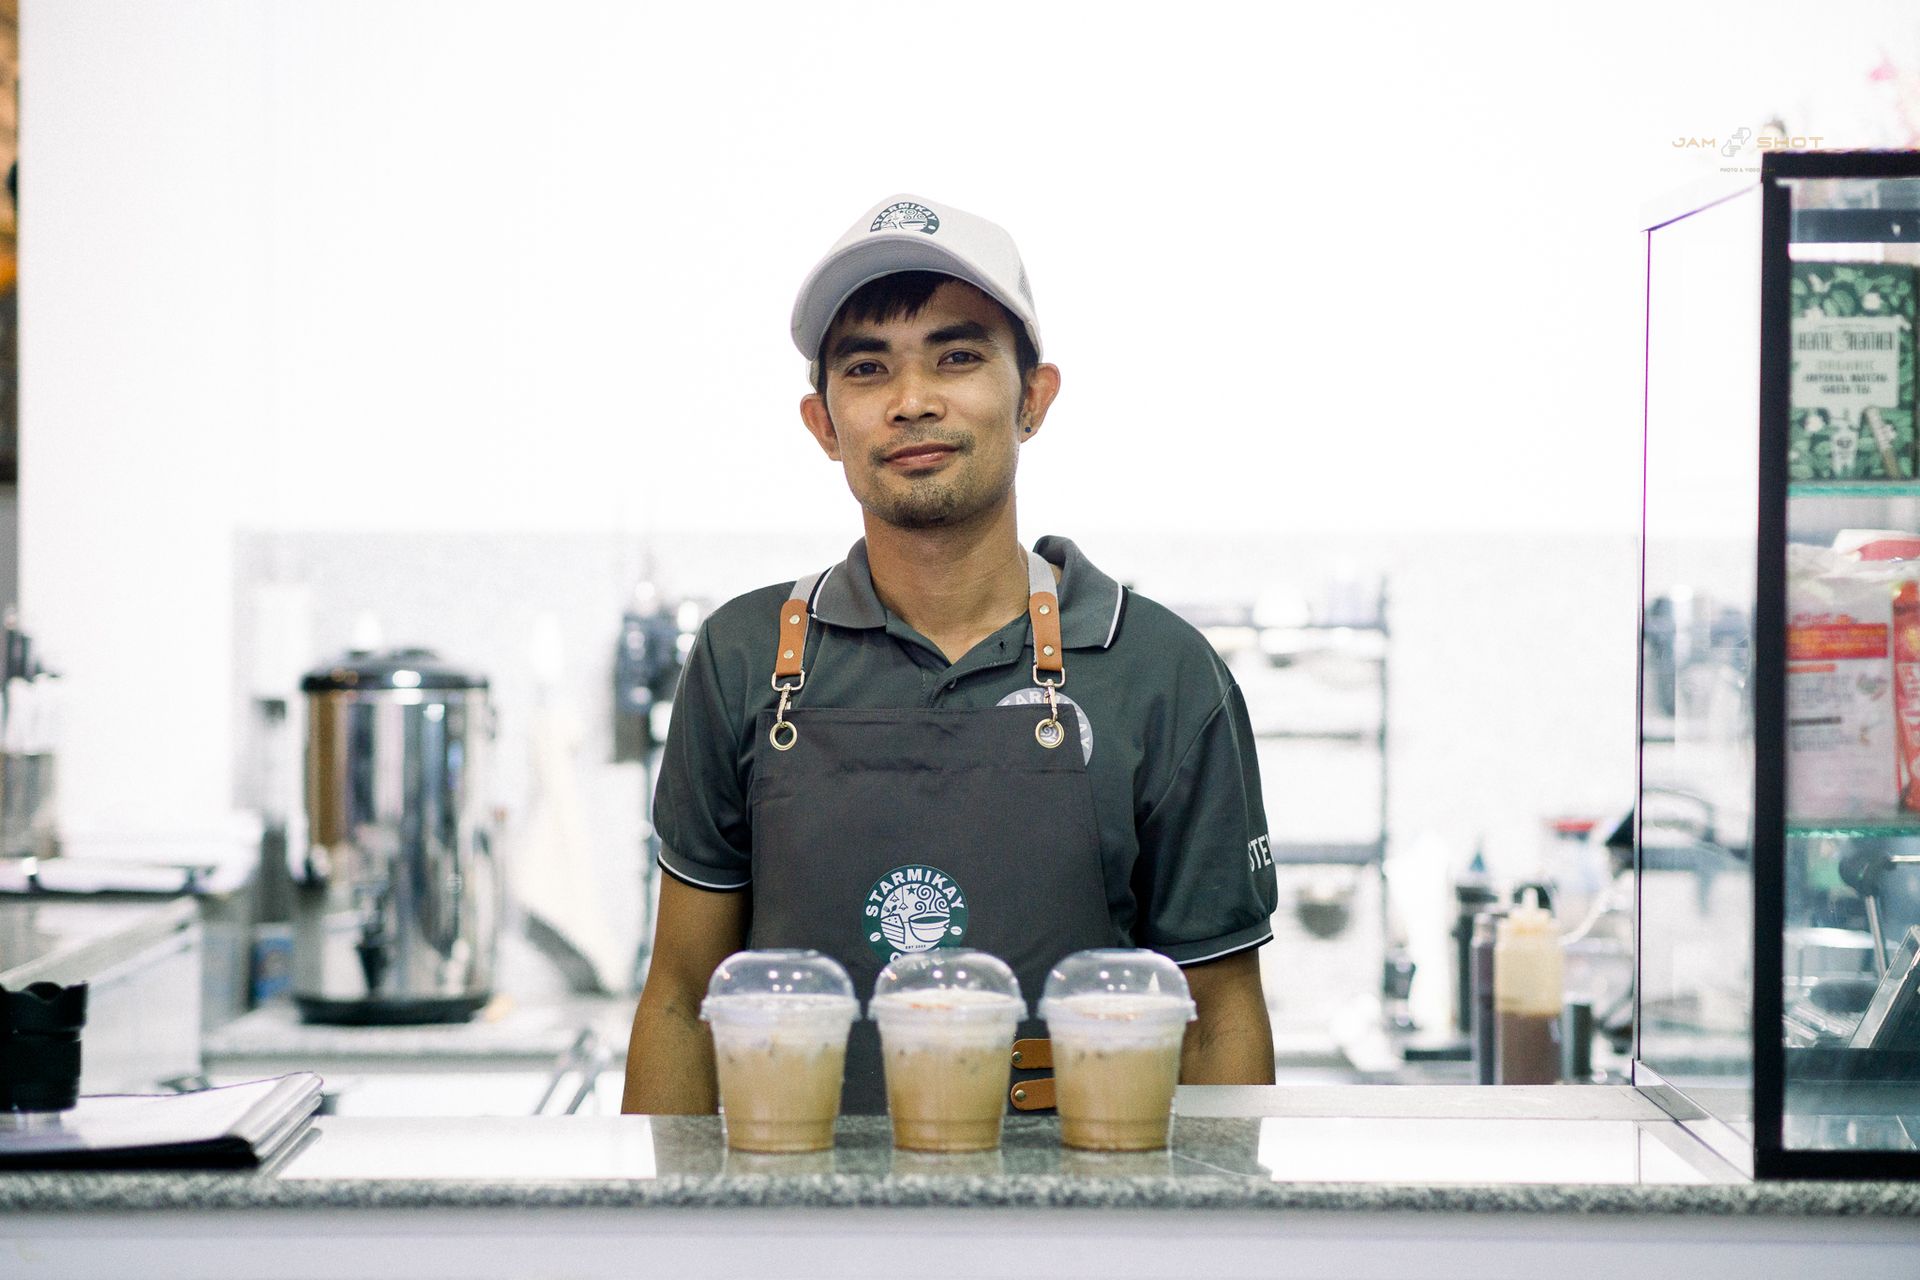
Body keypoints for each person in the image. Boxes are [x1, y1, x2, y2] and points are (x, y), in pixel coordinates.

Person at [622, 194, 1278, 1115]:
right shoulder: (744, 659)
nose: (913, 401)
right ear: (824, 422)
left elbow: (1218, 1020)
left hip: (1083, 1234)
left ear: (1034, 397)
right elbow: (682, 1004)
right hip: (791, 1231)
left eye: (958, 356)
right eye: (867, 368)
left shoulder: (1161, 671)